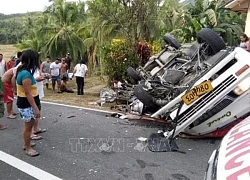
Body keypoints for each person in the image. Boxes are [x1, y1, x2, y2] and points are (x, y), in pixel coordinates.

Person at [16, 49, 41, 157]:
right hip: (27, 104)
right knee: (28, 127)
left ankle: (26, 144)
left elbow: (13, 79)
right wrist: (36, 108)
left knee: (28, 125)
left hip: (26, 102)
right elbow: (28, 93)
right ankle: (27, 147)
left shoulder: (23, 70)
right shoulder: (26, 74)